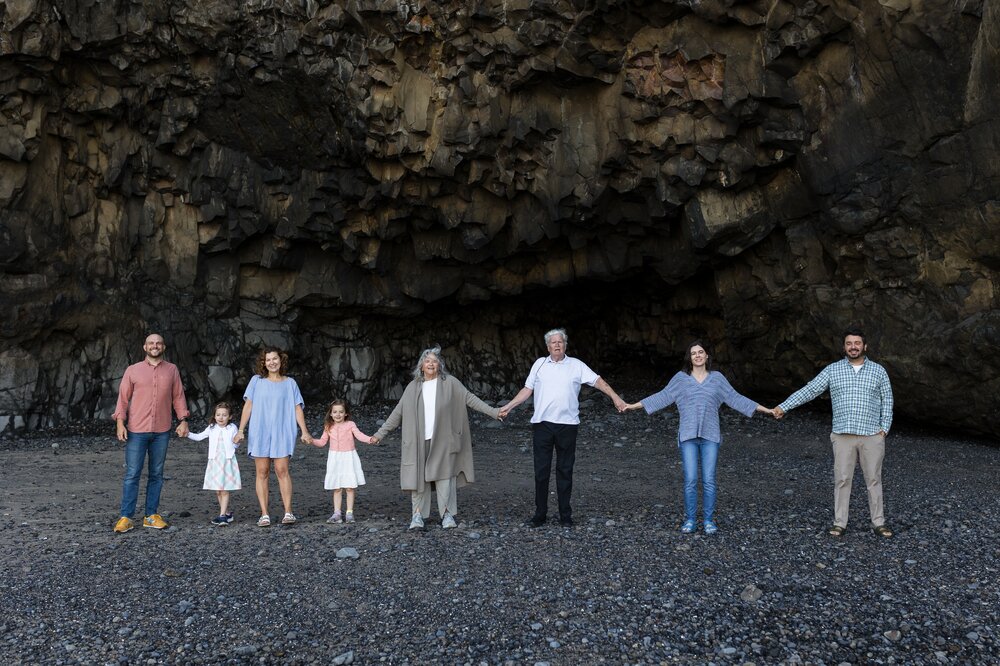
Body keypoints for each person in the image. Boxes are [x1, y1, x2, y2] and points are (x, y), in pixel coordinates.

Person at [624, 341, 774, 534]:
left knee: (709, 480)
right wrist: (632, 406)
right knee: (691, 479)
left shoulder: (717, 379)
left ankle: (709, 521)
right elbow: (661, 397)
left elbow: (736, 398)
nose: (697, 355)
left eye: (700, 352)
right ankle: (690, 520)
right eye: (693, 353)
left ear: (707, 356)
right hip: (687, 436)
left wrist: (766, 410)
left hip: (711, 435)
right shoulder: (680, 379)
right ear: (690, 358)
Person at [773, 327, 894, 538]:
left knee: (873, 480)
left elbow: (888, 400)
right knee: (842, 479)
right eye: (849, 343)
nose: (853, 347)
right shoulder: (833, 370)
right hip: (842, 435)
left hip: (872, 435)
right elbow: (810, 390)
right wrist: (784, 406)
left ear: (865, 346)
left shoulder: (878, 371)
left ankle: (879, 523)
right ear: (844, 347)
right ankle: (840, 523)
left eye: (857, 343)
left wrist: (884, 429)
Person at [499, 328, 627, 528]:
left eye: (560, 342)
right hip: (542, 425)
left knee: (565, 471)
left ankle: (565, 516)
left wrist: (616, 398)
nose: (557, 345)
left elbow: (598, 381)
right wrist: (509, 406)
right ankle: (540, 514)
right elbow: (527, 390)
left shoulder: (576, 365)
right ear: (547, 346)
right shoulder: (539, 364)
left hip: (568, 426)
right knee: (541, 472)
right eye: (553, 342)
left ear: (565, 345)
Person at [371, 346, 501, 530]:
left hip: (443, 440)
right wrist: (380, 433)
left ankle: (447, 515)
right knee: (418, 478)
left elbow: (470, 399)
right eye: (427, 360)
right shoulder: (413, 387)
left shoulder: (451, 383)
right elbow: (397, 412)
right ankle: (417, 515)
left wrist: (494, 413)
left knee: (444, 478)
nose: (431, 363)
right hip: (417, 441)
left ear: (440, 365)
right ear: (421, 366)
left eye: (434, 360)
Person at [112, 333, 190, 533]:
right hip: (136, 430)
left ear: (163, 347)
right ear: (145, 347)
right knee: (132, 474)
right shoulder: (133, 370)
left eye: (158, 343)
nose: (155, 346)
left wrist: (183, 420)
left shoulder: (172, 370)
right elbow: (122, 399)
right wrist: (120, 424)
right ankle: (126, 517)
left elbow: (178, 397)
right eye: (151, 343)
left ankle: (151, 515)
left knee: (157, 474)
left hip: (162, 431)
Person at [233, 347, 313, 527]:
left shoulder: (290, 383)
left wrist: (304, 431)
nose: (272, 362)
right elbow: (248, 406)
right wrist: (240, 430)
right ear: (264, 363)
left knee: (282, 470)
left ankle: (288, 512)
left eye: (274, 359)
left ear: (280, 360)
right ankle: (264, 514)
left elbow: (297, 408)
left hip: (283, 431)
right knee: (262, 472)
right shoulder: (256, 381)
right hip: (260, 430)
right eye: (268, 360)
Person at [307, 399, 373, 524]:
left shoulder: (350, 425)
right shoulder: (328, 426)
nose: (338, 414)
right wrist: (311, 440)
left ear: (346, 413)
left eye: (341, 412)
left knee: (349, 487)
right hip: (334, 458)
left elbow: (359, 435)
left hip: (348, 457)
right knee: (336, 487)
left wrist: (370, 439)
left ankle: (349, 513)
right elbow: (322, 442)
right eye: (335, 412)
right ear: (331, 414)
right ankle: (337, 513)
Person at [186, 402, 241, 526]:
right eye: (218, 415)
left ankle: (222, 516)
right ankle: (227, 513)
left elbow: (236, 444)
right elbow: (199, 437)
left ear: (230, 416)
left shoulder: (232, 428)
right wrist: (188, 433)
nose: (221, 417)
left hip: (227, 461)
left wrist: (238, 441)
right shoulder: (211, 427)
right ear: (215, 416)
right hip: (214, 461)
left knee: (224, 489)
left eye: (224, 415)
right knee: (218, 490)